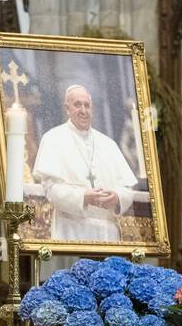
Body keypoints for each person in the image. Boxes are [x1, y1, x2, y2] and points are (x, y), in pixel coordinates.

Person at [32, 84, 138, 241]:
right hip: (70, 230)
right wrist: (83, 197)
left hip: (107, 234)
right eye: (77, 105)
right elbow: (51, 189)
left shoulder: (108, 144)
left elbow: (127, 189)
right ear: (67, 108)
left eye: (87, 105)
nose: (83, 110)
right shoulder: (53, 138)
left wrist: (117, 197)